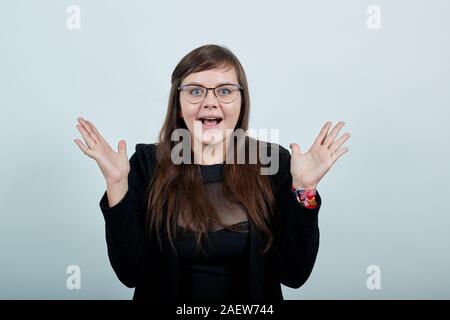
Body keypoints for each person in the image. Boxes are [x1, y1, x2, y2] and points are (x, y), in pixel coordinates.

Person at [74, 44, 351, 301]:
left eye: (225, 90)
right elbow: (130, 273)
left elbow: (294, 274)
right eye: (195, 91)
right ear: (179, 105)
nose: (210, 101)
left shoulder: (272, 161)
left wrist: (304, 188)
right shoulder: (148, 163)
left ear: (241, 100)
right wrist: (117, 184)